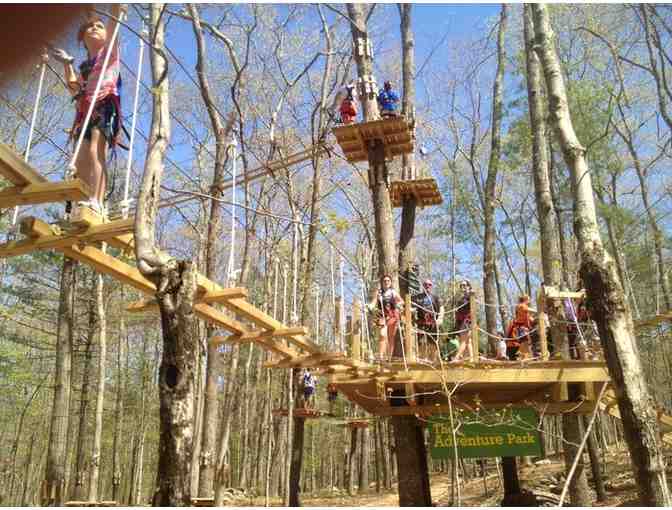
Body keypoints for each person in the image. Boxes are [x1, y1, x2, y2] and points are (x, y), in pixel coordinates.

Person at [50, 5, 126, 216]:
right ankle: (81, 202)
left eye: (99, 26)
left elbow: (113, 23)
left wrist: (111, 9)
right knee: (81, 156)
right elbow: (75, 87)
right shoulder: (85, 65)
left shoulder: (110, 52)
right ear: (82, 39)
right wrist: (67, 64)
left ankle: (97, 200)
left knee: (95, 151)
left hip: (104, 106)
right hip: (86, 110)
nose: (94, 28)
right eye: (89, 27)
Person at [367, 274, 403, 361]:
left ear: (390, 282)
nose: (386, 282)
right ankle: (381, 356)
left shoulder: (393, 292)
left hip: (392, 316)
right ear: (382, 282)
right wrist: (370, 306)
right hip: (382, 316)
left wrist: (398, 304)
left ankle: (389, 357)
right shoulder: (378, 292)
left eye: (388, 281)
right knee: (382, 334)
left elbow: (401, 301)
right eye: (384, 281)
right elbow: (374, 301)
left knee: (391, 337)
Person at [413, 279, 444, 363]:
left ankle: (432, 361)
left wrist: (440, 318)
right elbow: (411, 307)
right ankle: (422, 361)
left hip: (433, 324)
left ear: (431, 286)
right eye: (425, 284)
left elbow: (441, 308)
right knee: (421, 342)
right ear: (423, 286)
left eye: (429, 284)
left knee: (433, 343)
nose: (427, 286)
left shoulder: (435, 297)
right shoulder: (417, 297)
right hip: (421, 323)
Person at [507, 295, 536, 360]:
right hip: (521, 327)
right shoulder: (521, 306)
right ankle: (521, 355)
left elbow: (530, 318)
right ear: (526, 299)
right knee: (524, 341)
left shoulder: (524, 308)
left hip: (524, 328)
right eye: (528, 300)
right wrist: (539, 311)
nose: (529, 301)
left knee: (526, 342)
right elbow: (530, 310)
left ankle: (522, 355)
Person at [452, 280, 474, 362]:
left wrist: (471, 292)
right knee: (468, 341)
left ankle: (456, 358)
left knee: (463, 340)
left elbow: (473, 306)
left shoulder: (470, 295)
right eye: (461, 285)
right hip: (462, 321)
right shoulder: (462, 298)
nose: (462, 287)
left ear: (468, 286)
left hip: (468, 320)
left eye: (464, 285)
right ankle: (471, 359)